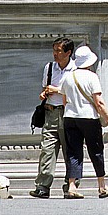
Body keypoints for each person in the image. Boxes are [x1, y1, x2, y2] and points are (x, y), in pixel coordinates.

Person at [57, 45, 108, 199]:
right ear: (89, 62)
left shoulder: (68, 77)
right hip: (89, 118)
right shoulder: (92, 77)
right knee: (96, 151)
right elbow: (99, 102)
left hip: (70, 117)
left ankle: (72, 185)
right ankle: (102, 186)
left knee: (73, 152)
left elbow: (64, 100)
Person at [29, 37, 76, 199]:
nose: (55, 54)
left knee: (70, 149)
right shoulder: (49, 68)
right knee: (47, 149)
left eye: (59, 51)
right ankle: (43, 186)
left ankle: (70, 185)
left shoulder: (76, 70)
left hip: (68, 113)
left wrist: (57, 90)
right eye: (54, 50)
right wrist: (44, 93)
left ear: (68, 53)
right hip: (50, 113)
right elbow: (44, 88)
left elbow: (76, 93)